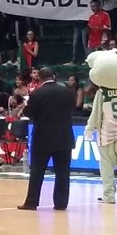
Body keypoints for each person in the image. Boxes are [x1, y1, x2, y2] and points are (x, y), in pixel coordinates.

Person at [19, 68, 75, 211]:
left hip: (42, 138)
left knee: (37, 171)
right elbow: (72, 108)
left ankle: (31, 203)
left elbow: (29, 113)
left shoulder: (36, 94)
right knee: (63, 172)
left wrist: (26, 104)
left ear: (40, 78)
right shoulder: (67, 92)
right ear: (53, 76)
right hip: (64, 137)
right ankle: (61, 204)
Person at [83, 69, 117, 205]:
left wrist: (89, 129)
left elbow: (96, 113)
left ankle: (109, 195)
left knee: (106, 165)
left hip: (107, 133)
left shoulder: (102, 92)